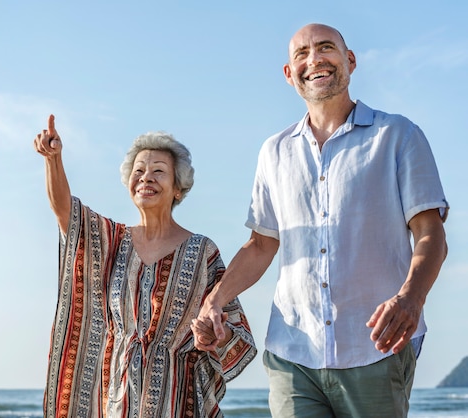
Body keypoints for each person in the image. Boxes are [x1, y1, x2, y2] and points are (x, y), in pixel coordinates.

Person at [191, 23, 449, 417]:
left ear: (349, 60)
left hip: (376, 348)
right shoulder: (273, 151)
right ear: (288, 73)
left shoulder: (398, 135)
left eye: (326, 48)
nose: (314, 60)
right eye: (302, 54)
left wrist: (412, 298)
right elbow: (262, 244)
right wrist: (214, 303)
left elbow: (431, 234)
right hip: (293, 353)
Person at [33, 115, 257, 418]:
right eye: (139, 171)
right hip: (116, 399)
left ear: (178, 188)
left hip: (179, 400)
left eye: (158, 171)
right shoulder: (111, 241)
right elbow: (65, 212)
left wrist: (213, 335)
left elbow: (233, 331)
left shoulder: (202, 251)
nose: (146, 177)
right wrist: (53, 160)